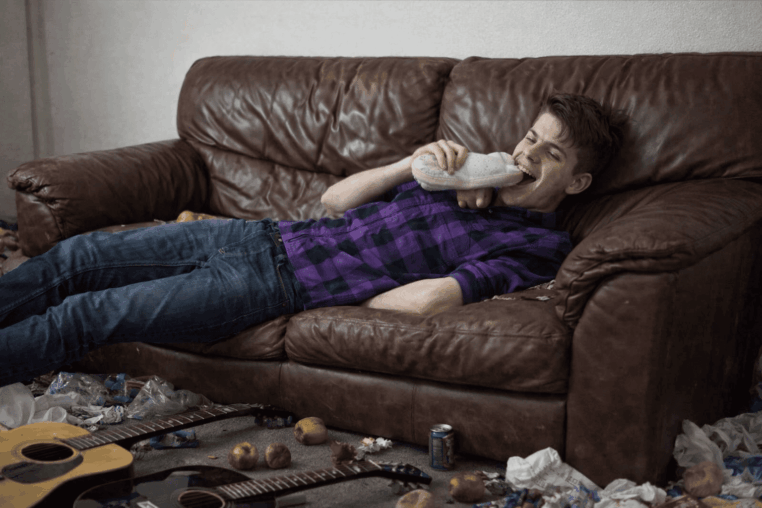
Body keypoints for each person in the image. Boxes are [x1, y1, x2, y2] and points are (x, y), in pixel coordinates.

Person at [0, 93, 625, 387]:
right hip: (259, 234)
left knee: (88, 314)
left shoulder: (535, 246)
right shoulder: (460, 176)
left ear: (578, 182)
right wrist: (414, 165)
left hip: (270, 283)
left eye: (552, 153)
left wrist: (342, 290)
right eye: (530, 137)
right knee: (76, 257)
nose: (528, 153)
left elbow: (432, 300)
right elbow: (333, 202)